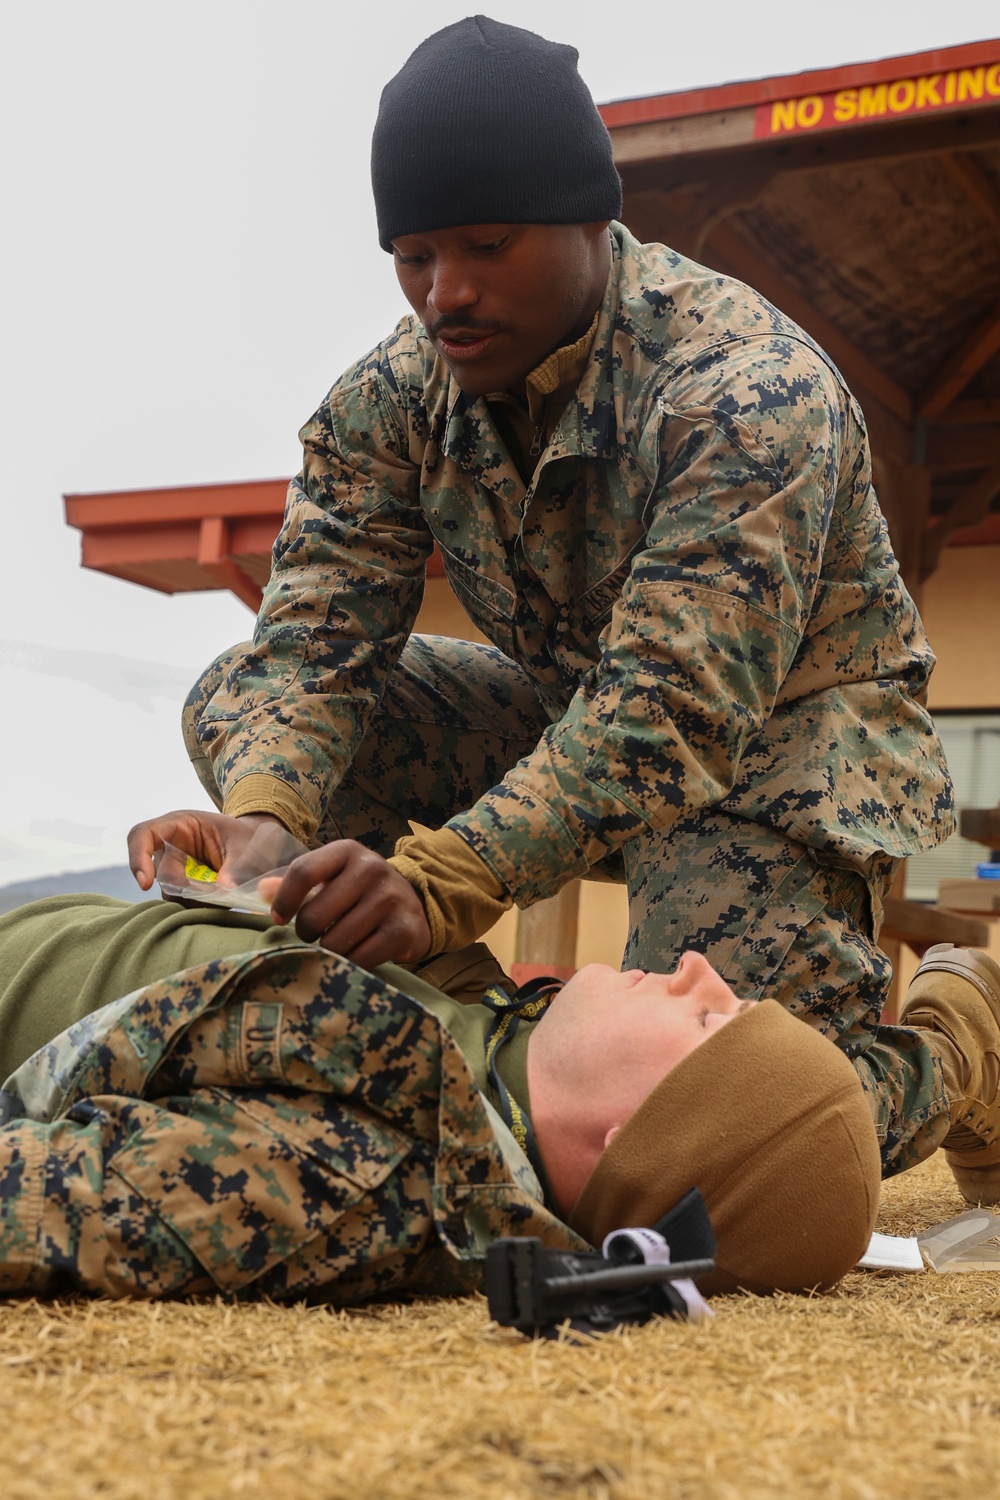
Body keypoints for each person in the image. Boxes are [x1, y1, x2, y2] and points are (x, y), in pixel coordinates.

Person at [129, 18, 957, 1189]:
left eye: (486, 243)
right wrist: (265, 821)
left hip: (782, 744)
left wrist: (438, 884)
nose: (444, 293)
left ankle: (960, 1043)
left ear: (587, 221)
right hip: (567, 715)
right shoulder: (393, 397)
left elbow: (668, 710)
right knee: (237, 699)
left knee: (720, 1128)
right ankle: (450, 1028)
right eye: (412, 254)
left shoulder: (744, 392)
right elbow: (312, 644)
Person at [0, 892, 882, 1300]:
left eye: (707, 1024)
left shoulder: (350, 1178)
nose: (698, 968)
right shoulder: (493, 1064)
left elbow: (33, 1202)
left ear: (625, 1139)